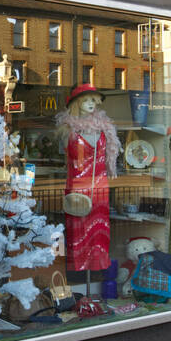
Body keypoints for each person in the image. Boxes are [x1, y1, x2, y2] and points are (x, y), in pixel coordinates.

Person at [54, 84, 121, 272]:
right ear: (77, 102)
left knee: (99, 231)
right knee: (79, 231)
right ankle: (80, 270)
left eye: (94, 100)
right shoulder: (67, 129)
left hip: (100, 187)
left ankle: (97, 266)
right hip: (77, 187)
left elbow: (110, 153)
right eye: (87, 99)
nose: (91, 103)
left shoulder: (105, 127)